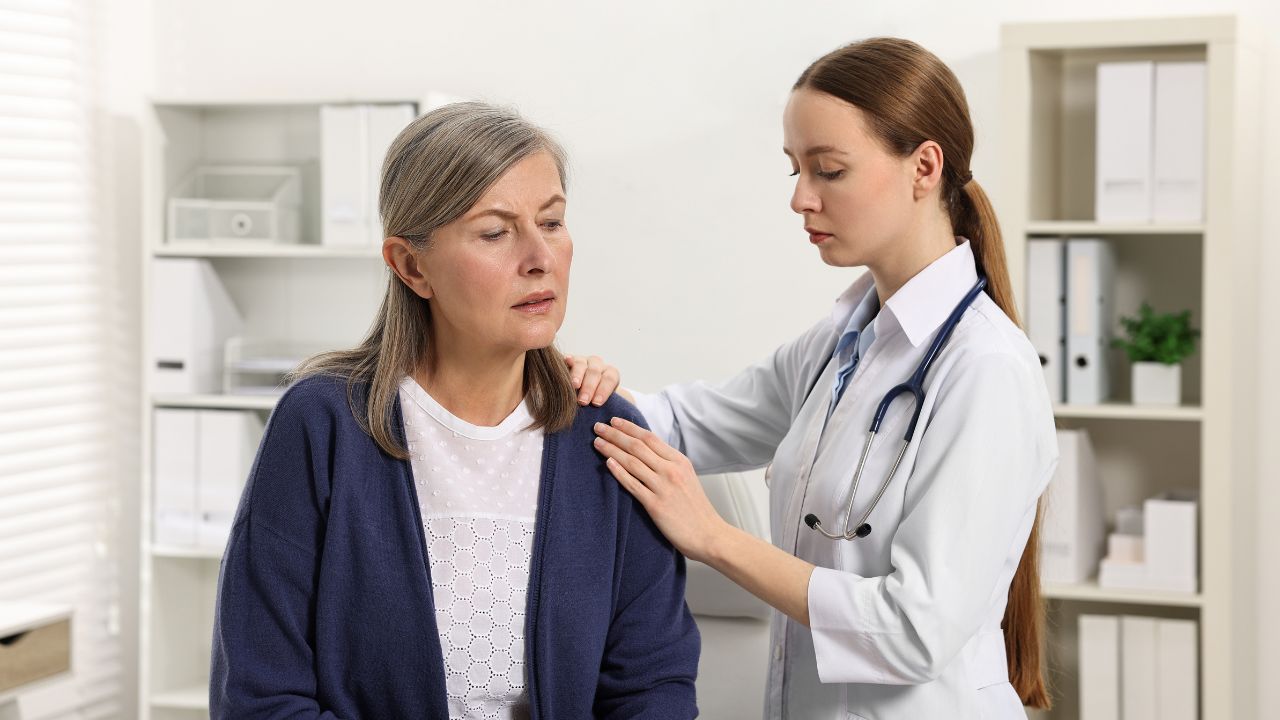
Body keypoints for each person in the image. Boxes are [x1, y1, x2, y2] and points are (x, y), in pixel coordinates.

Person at [586, 38, 1057, 718]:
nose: (801, 199)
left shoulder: (987, 372)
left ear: (924, 166)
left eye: (829, 170)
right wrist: (564, 385)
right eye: (794, 171)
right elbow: (689, 422)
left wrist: (715, 539)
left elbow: (912, 629)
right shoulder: (844, 341)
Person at [209, 102, 699, 720]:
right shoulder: (323, 423)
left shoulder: (605, 435)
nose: (538, 258)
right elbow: (260, 693)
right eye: (495, 232)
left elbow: (653, 686)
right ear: (412, 266)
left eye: (551, 223)